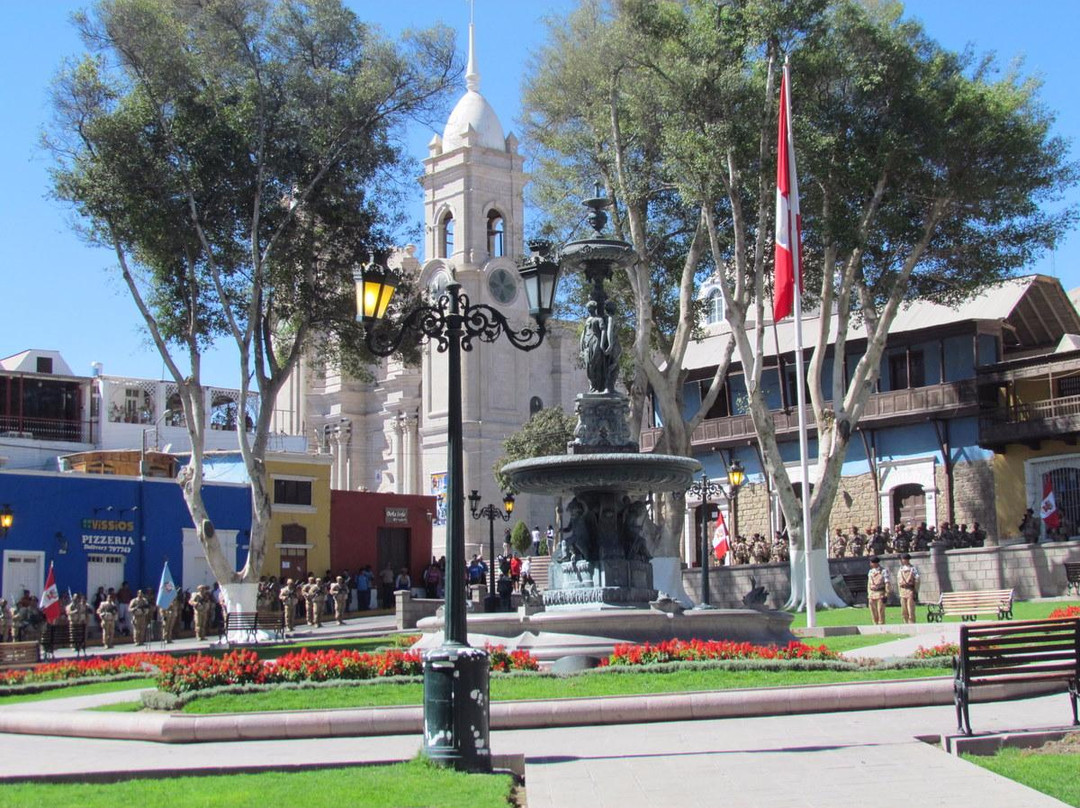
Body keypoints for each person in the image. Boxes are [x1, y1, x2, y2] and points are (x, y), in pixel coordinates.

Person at [896, 553, 920, 624]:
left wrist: (916, 590)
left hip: (910, 589)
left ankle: (912, 623)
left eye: (903, 559)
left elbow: (917, 579)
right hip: (902, 590)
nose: (902, 561)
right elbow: (898, 580)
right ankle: (905, 623)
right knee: (904, 609)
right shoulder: (900, 569)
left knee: (910, 609)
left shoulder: (913, 569)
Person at [867, 555, 890, 625]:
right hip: (872, 593)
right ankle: (875, 624)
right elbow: (869, 583)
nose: (870, 564)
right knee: (873, 610)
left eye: (871, 563)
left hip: (880, 592)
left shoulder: (883, 571)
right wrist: (869, 593)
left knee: (880, 610)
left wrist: (887, 594)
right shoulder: (870, 571)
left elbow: (887, 583)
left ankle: (881, 624)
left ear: (875, 563)